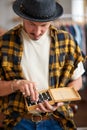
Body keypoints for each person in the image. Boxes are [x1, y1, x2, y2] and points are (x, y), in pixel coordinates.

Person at [0, 0, 85, 130]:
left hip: (57, 121)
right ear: (22, 17)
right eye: (31, 24)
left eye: (44, 25)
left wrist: (59, 100)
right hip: (19, 122)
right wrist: (16, 84)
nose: (37, 31)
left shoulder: (66, 41)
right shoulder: (5, 42)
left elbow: (77, 81)